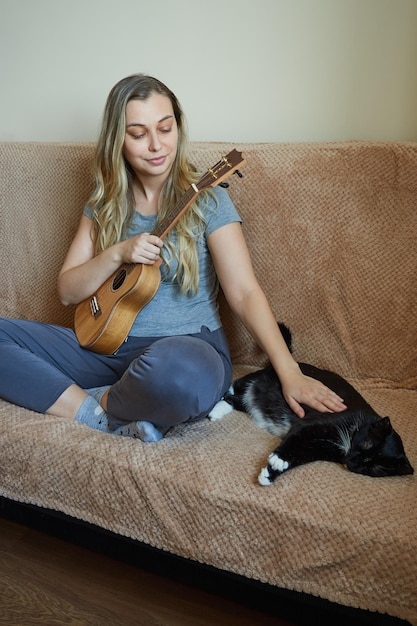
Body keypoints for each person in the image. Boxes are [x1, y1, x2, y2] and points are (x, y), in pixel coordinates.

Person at [0, 74, 346, 442]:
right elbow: (68, 291)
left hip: (186, 351)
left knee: (181, 374)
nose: (155, 145)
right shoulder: (102, 205)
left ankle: (97, 397)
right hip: (105, 348)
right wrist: (119, 253)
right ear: (117, 140)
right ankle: (97, 414)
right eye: (138, 134)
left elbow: (244, 293)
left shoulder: (209, 200)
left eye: (165, 128)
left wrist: (289, 371)